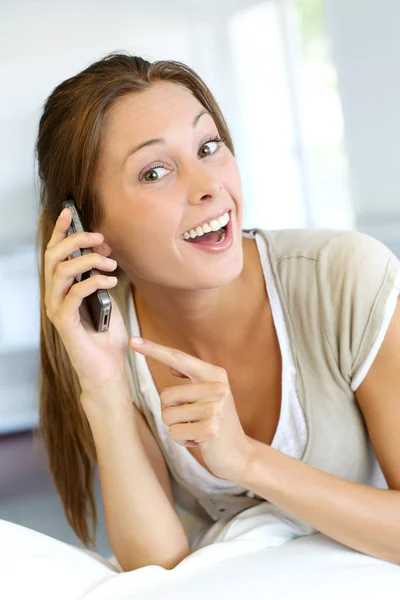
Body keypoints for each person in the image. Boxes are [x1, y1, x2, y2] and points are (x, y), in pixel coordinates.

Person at [36, 51, 400, 573]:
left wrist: (246, 460)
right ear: (88, 230)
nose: (209, 185)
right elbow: (156, 568)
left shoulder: (344, 279)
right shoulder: (105, 338)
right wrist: (104, 386)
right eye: (155, 171)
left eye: (209, 146)